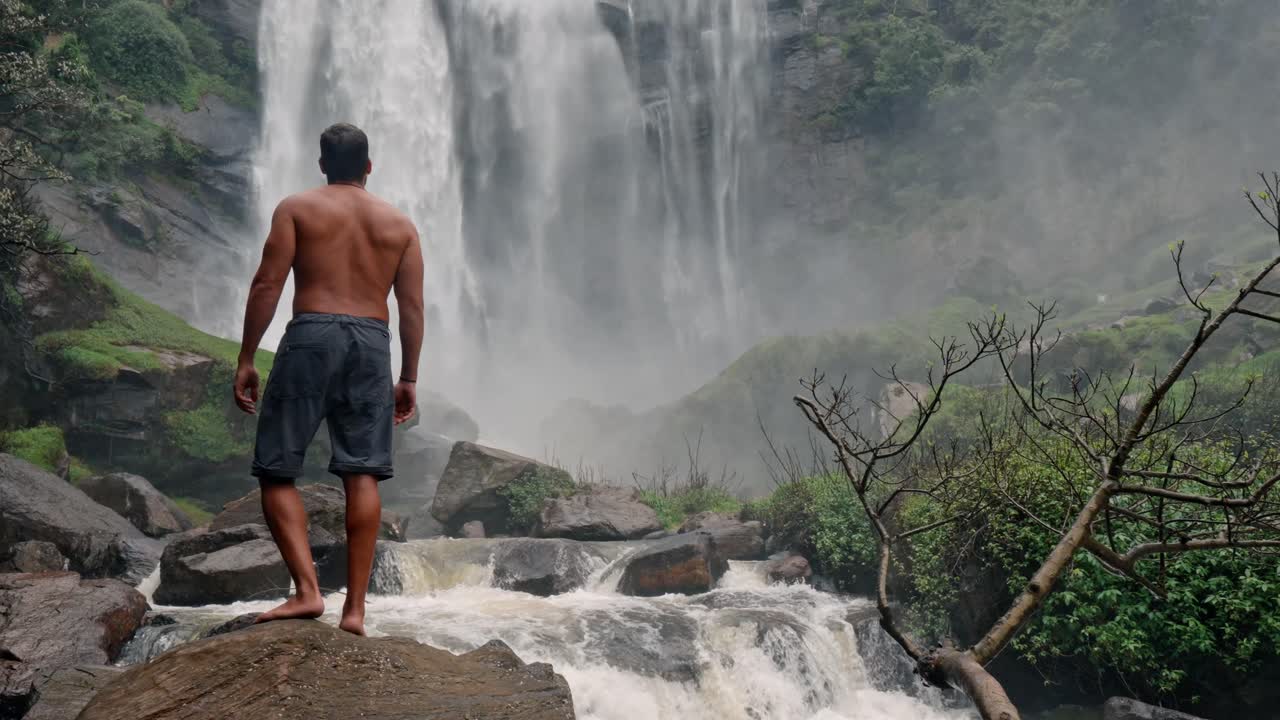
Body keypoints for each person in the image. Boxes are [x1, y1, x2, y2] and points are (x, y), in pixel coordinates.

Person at [233, 122, 424, 636]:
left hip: (311, 336)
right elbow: (410, 308)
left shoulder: (297, 208)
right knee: (362, 473)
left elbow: (268, 283)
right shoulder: (400, 226)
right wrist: (408, 375)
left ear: (322, 164)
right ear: (369, 166)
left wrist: (247, 356)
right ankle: (355, 611)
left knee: (276, 470)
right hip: (371, 343)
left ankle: (307, 591)